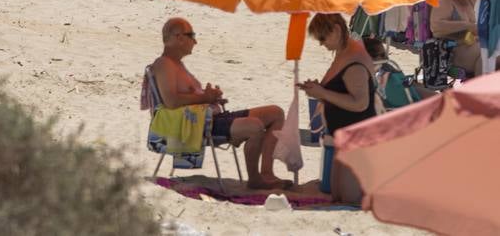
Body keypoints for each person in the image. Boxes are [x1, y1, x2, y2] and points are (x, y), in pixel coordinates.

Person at [151, 18, 287, 189]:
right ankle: (255, 179)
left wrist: (210, 97)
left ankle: (267, 172)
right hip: (202, 124)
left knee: (275, 113)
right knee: (255, 126)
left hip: (210, 117)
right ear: (178, 37)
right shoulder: (165, 64)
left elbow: (183, 96)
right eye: (191, 35)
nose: (195, 41)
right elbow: (171, 102)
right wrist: (205, 98)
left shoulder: (176, 65)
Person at [300, 14, 376, 204]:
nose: (321, 44)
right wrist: (319, 90)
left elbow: (360, 103)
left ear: (336, 30)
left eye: (322, 38)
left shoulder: (354, 60)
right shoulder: (344, 53)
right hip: (343, 139)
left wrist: (323, 93)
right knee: (338, 197)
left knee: (348, 201)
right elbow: (340, 88)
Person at [430, 0, 481, 77]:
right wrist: (466, 25)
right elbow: (436, 26)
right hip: (450, 51)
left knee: (492, 52)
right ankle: (480, 87)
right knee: (485, 56)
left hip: (471, 44)